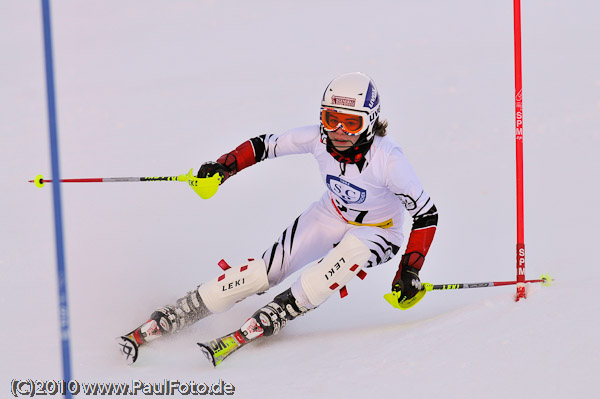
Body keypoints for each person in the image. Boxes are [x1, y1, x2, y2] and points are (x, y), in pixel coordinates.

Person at [117, 72, 438, 365]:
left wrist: (409, 269)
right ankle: (187, 308)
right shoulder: (318, 139)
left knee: (349, 255)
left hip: (380, 231)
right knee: (264, 273)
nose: (338, 131)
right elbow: (264, 146)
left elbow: (426, 213)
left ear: (370, 122)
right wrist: (223, 167)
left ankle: (284, 307)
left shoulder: (389, 160)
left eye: (351, 123)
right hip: (331, 213)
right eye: (330, 119)